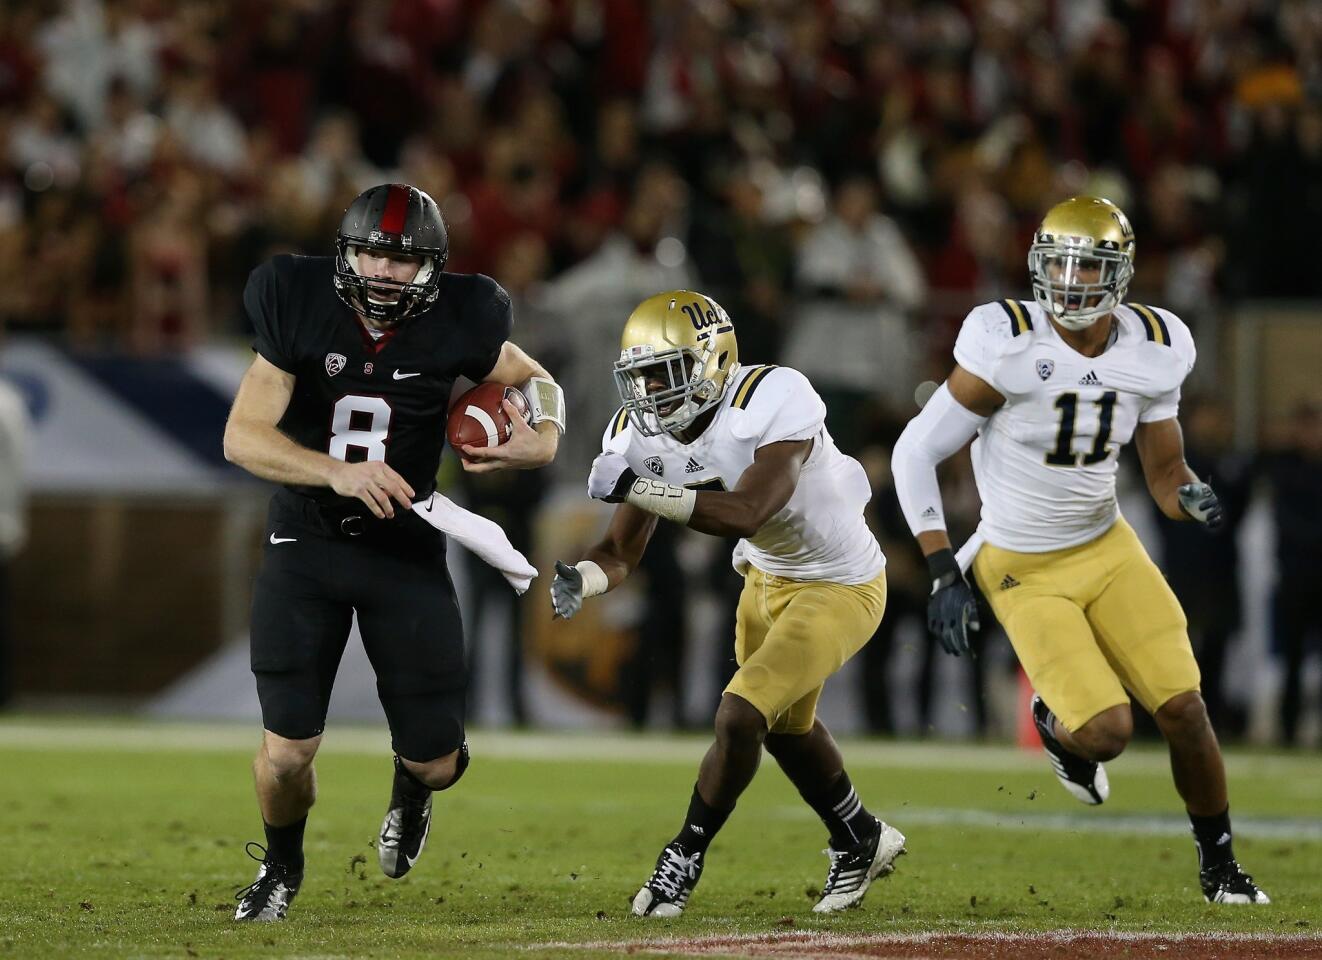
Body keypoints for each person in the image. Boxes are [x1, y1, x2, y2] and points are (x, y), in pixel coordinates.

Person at [891, 196, 1269, 905]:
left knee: (1185, 709)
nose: (1069, 280)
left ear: (1120, 274)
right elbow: (917, 450)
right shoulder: (1006, 341)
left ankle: (1221, 867)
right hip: (1021, 564)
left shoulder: (1154, 346)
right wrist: (945, 567)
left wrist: (1188, 493)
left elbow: (1162, 471)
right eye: (1057, 263)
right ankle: (1059, 732)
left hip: (1107, 545)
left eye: (1086, 265)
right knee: (1107, 731)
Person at [222, 183, 564, 921]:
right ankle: (281, 870)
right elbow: (241, 435)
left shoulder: (464, 316)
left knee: (437, 763)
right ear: (345, 253)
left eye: (400, 261)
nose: (381, 272)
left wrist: (539, 439)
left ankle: (410, 792)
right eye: (371, 253)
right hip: (307, 538)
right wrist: (335, 471)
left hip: (404, 545)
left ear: (432, 270)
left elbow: (540, 384)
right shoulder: (295, 296)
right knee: (286, 754)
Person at [550, 291, 905, 918]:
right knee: (785, 730)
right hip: (764, 582)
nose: (651, 392)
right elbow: (621, 551)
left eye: (665, 372)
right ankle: (860, 837)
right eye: (640, 377)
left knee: (740, 716)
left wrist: (639, 485)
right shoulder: (639, 431)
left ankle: (683, 856)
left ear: (713, 361)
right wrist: (586, 579)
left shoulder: (772, 397)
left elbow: (747, 512)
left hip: (839, 582)